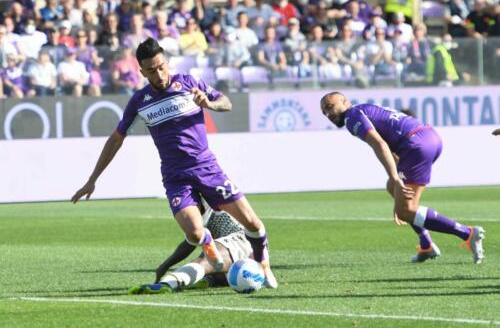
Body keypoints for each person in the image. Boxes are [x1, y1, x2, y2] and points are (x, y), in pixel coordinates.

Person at [71, 38, 277, 289]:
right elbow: (116, 139)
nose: (158, 74)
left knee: (253, 224)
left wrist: (209, 104)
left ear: (166, 63)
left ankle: (264, 266)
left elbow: (226, 102)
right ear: (142, 71)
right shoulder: (139, 101)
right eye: (151, 70)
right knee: (194, 232)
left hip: (207, 168)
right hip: (175, 176)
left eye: (161, 66)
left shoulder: (189, 83)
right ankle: (208, 244)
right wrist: (92, 179)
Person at [319, 91, 485, 264]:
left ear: (345, 101)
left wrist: (396, 178)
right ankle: (426, 244)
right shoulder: (365, 109)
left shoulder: (352, 116)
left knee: (406, 210)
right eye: (324, 112)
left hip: (415, 145)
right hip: (430, 138)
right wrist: (395, 183)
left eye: (330, 106)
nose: (328, 114)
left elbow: (380, 144)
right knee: (393, 189)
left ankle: (467, 233)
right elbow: (391, 148)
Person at [129, 203, 253, 294]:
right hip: (249, 253)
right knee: (214, 260)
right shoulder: (211, 194)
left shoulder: (202, 200)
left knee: (206, 260)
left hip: (240, 239)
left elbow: (190, 244)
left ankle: (167, 283)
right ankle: (211, 279)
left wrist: (165, 266)